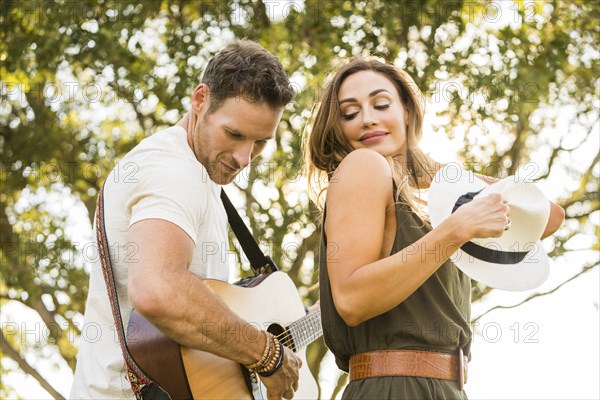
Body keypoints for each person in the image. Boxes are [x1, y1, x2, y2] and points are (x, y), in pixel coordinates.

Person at [304, 58, 565, 399]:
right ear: (337, 128)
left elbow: (548, 216)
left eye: (381, 105)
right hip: (394, 387)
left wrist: (437, 173)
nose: (368, 118)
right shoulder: (363, 165)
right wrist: (456, 229)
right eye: (350, 113)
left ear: (408, 111)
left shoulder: (433, 201)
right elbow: (353, 300)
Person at [71, 40, 302, 400]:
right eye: (235, 134)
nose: (245, 158)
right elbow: (157, 288)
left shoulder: (200, 173)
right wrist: (266, 355)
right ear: (200, 100)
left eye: (260, 143)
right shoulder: (174, 170)